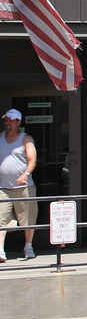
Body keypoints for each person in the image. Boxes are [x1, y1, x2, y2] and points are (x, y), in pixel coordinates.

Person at [0, 109, 37, 262]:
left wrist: (25, 174)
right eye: (6, 119)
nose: (8, 122)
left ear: (18, 122)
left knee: (28, 218)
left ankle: (28, 246)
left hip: (24, 187)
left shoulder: (25, 139)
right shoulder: (0, 138)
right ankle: (0, 250)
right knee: (0, 218)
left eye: (11, 120)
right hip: (3, 187)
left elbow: (32, 160)